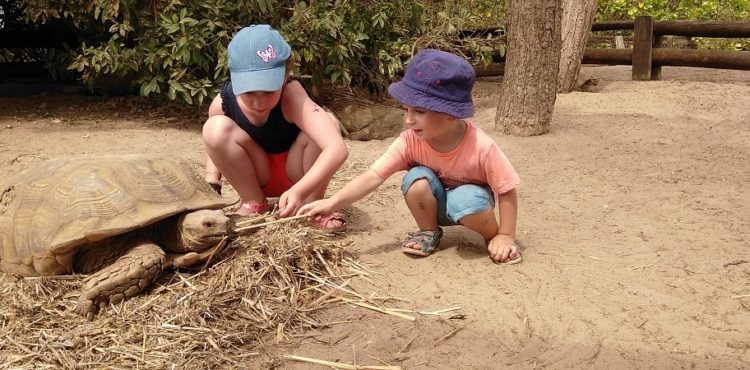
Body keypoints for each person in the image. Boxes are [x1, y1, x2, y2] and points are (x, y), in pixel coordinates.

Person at [298, 49, 522, 263]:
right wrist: (332, 202)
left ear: (451, 115)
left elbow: (506, 190)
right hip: (434, 203)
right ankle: (428, 232)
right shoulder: (409, 141)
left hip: (472, 206)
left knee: (466, 198)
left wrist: (506, 234)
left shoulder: (481, 146)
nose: (408, 119)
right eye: (406, 109)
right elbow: (373, 176)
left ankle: (493, 237)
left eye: (420, 112)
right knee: (416, 178)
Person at [202, 24, 348, 232]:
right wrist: (212, 179)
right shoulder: (224, 101)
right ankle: (253, 203)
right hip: (255, 174)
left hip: (298, 172)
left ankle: (314, 206)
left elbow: (337, 148)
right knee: (214, 128)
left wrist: (299, 190)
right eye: (249, 92)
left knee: (329, 123)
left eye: (269, 90)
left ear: (286, 76)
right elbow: (214, 145)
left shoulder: (292, 95)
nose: (259, 102)